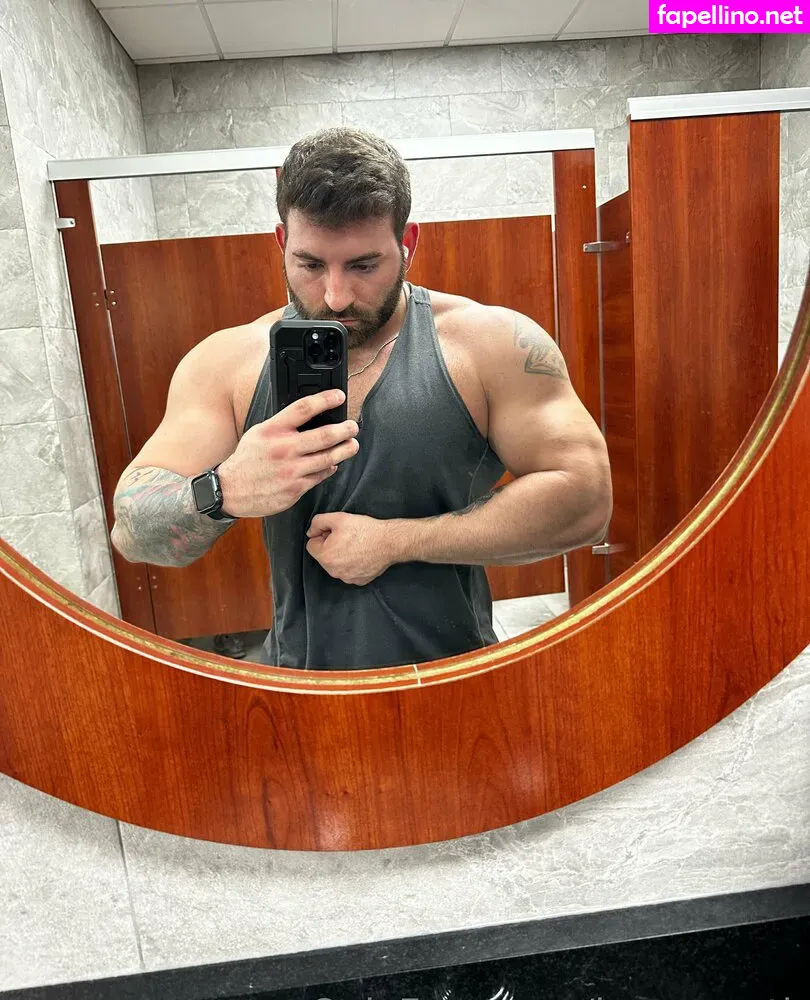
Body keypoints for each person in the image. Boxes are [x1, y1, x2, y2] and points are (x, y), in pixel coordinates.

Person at [111, 128, 612, 670]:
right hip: (297, 684)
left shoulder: (489, 345)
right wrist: (224, 489)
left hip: (455, 679)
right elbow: (132, 531)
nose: (335, 297)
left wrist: (399, 541)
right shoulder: (226, 363)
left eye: (363, 266)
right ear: (281, 243)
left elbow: (586, 498)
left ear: (408, 243)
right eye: (310, 265)